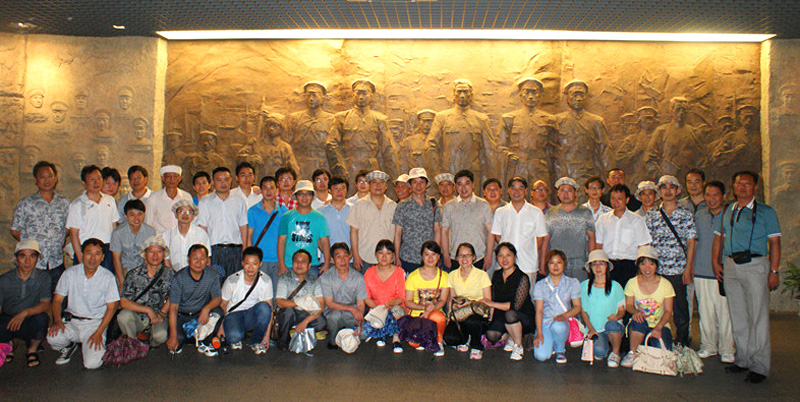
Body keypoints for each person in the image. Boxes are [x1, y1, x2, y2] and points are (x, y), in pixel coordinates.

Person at [713, 171, 781, 384]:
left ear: (755, 187)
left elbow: (775, 243)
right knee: (738, 315)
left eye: (747, 184)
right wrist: (717, 262)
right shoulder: (729, 210)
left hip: (755, 266)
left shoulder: (766, 212)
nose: (742, 187)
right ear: (733, 186)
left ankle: (759, 366)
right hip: (731, 265)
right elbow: (720, 238)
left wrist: (774, 270)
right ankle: (743, 359)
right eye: (738, 183)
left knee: (758, 317)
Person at [47, 238, 120, 369]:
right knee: (53, 337)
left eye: (97, 254)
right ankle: (69, 346)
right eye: (88, 253)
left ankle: (88, 346)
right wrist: (57, 320)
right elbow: (57, 300)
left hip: (94, 324)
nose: (92, 258)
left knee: (92, 364)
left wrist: (99, 332)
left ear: (102, 257)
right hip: (71, 321)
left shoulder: (108, 277)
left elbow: (111, 308)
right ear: (82, 254)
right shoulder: (70, 273)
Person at [645, 175, 697, 346]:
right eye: (663, 187)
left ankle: (682, 342)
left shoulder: (685, 214)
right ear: (659, 192)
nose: (668, 191)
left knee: (680, 308)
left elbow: (691, 241)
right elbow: (647, 242)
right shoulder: (652, 215)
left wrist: (688, 268)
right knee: (655, 307)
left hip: (678, 269)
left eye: (672, 187)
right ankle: (656, 340)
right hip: (656, 270)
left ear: (678, 191)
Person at [11, 161, 70, 293]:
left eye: (49, 176)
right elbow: (15, 230)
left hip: (56, 262)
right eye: (42, 177)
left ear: (55, 178)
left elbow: (68, 228)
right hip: (33, 264)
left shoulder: (64, 203)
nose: (46, 180)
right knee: (33, 299)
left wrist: (57, 238)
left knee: (58, 298)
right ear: (35, 180)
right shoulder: (26, 203)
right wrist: (31, 242)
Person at [326, 79, 399, 183]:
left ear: (371, 96)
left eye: (365, 93)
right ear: (353, 94)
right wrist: (339, 167)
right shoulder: (342, 118)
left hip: (371, 169)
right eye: (358, 93)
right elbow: (331, 143)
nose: (361, 97)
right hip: (349, 169)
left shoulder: (380, 119)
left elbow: (388, 149)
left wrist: (395, 177)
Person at [425, 79, 496, 185]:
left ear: (471, 95)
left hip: (472, 176)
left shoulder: (481, 119)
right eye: (459, 92)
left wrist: (493, 180)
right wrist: (437, 174)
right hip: (449, 175)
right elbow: (430, 146)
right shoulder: (442, 117)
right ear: (454, 95)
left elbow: (490, 151)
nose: (462, 95)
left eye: (466, 92)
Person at [694, 180, 734, 364]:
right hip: (700, 270)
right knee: (705, 311)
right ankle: (708, 345)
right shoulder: (699, 215)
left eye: (715, 195)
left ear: (723, 196)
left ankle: (727, 348)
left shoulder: (730, 215)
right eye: (708, 195)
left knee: (725, 312)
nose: (711, 199)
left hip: (722, 271)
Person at [497, 77, 559, 192]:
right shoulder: (508, 119)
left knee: (541, 198)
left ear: (540, 95)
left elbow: (555, 150)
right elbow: (500, 146)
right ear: (520, 95)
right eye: (527, 92)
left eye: (534, 92)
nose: (530, 96)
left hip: (540, 169)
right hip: (517, 168)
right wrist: (509, 156)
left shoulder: (549, 119)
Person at [621, 245, 675, 368]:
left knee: (662, 356)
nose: (647, 268)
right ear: (638, 266)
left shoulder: (666, 284)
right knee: (638, 321)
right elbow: (628, 305)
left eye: (651, 264)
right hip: (640, 324)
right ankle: (633, 352)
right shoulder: (632, 283)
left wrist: (659, 327)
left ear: (656, 265)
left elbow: (668, 311)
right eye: (643, 264)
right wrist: (636, 312)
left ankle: (646, 347)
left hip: (659, 325)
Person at [0, 240, 51, 368]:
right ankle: (9, 344)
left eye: (32, 256)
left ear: (37, 259)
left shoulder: (43, 277)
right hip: (9, 319)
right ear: (16, 258)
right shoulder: (5, 279)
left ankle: (32, 350)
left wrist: (25, 313)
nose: (27, 261)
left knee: (42, 319)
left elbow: (45, 304)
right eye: (22, 256)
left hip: (30, 318)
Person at [166, 244, 223, 357]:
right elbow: (173, 308)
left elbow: (217, 298)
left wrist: (206, 309)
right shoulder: (179, 278)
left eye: (202, 259)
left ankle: (205, 341)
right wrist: (173, 335)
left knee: (218, 312)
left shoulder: (212, 274)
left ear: (207, 260)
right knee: (177, 344)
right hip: (183, 315)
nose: (198, 262)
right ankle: (193, 337)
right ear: (188, 259)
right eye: (195, 258)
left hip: (200, 314)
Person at [118, 236, 173, 347]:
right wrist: (147, 310)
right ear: (145, 254)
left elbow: (174, 296)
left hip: (158, 315)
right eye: (151, 251)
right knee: (123, 317)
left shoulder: (170, 274)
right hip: (136, 315)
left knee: (161, 336)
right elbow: (123, 302)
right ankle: (133, 344)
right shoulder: (133, 274)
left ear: (164, 254)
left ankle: (149, 345)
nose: (155, 255)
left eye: (159, 251)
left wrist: (161, 313)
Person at [483, 242, 535, 361]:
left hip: (522, 315)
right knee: (491, 335)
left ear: (514, 257)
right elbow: (494, 298)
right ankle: (511, 336)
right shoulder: (496, 275)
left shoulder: (522, 277)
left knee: (510, 314)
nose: (504, 259)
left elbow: (515, 306)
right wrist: (491, 317)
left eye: (508, 255)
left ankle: (518, 345)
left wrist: (492, 304)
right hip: (502, 312)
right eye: (501, 256)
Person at [555, 80, 613, 185]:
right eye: (574, 95)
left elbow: (605, 150)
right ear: (567, 97)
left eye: (581, 95)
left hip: (588, 172)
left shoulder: (596, 121)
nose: (578, 98)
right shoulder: (557, 121)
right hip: (564, 173)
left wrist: (610, 175)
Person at [595, 184, 652, 288]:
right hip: (608, 265)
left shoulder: (637, 220)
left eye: (619, 199)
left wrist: (642, 269)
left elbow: (643, 248)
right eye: (613, 198)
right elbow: (598, 245)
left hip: (629, 266)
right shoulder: (603, 219)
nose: (616, 202)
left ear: (627, 200)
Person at [489, 177, 548, 278]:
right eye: (513, 188)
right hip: (505, 265)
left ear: (526, 191)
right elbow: (498, 236)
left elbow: (540, 239)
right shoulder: (500, 212)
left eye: (520, 188)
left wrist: (528, 249)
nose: (516, 191)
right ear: (508, 190)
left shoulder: (536, 212)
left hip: (528, 265)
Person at [219, 247, 273, 355]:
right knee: (234, 336)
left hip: (252, 315)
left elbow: (270, 308)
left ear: (260, 264)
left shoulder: (266, 280)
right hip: (234, 314)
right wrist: (220, 328)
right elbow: (223, 305)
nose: (250, 267)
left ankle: (256, 341)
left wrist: (267, 336)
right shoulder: (232, 280)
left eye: (254, 264)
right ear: (242, 263)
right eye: (247, 263)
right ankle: (235, 334)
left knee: (265, 308)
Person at [197, 167, 248, 278]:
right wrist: (206, 254)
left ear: (231, 181)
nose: (223, 183)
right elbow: (203, 229)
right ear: (212, 182)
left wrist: (245, 250)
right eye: (219, 180)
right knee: (216, 283)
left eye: (226, 179)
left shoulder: (239, 201)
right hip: (215, 251)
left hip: (235, 250)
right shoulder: (205, 202)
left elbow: (243, 226)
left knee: (235, 283)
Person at [532, 249, 582, 363]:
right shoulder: (540, 285)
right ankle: (551, 343)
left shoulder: (572, 283)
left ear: (564, 264)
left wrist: (564, 316)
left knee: (558, 326)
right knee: (541, 356)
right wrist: (539, 334)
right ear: (547, 265)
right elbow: (539, 311)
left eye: (559, 262)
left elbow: (577, 307)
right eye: (551, 263)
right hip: (545, 323)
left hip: (563, 322)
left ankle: (560, 349)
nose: (555, 266)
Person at [443, 243, 492, 360]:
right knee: (450, 338)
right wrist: (450, 314)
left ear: (473, 257)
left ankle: (476, 346)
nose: (464, 259)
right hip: (460, 313)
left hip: (477, 312)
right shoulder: (452, 275)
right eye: (460, 255)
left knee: (472, 321)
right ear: (456, 258)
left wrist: (469, 303)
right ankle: (466, 338)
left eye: (468, 255)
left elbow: (487, 300)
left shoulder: (482, 275)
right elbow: (452, 297)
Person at [66, 165, 119, 271]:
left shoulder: (110, 200)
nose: (96, 182)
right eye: (92, 180)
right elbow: (74, 234)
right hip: (86, 251)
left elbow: (114, 228)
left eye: (99, 178)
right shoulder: (77, 204)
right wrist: (81, 259)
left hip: (106, 251)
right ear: (84, 183)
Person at [543, 177, 596, 281]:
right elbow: (546, 239)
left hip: (579, 264)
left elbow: (591, 238)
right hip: (556, 264)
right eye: (562, 190)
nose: (565, 194)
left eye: (569, 190)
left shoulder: (585, 212)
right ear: (558, 193)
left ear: (575, 193)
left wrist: (592, 261)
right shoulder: (550, 213)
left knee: (579, 290)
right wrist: (542, 263)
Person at [580, 250, 626, 368]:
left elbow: (622, 310)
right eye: (594, 264)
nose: (598, 267)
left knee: (612, 325)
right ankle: (604, 345)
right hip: (595, 328)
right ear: (590, 268)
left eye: (601, 263)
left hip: (613, 325)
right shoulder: (584, 286)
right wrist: (591, 329)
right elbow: (583, 311)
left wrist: (617, 317)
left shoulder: (616, 286)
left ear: (607, 266)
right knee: (599, 353)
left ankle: (615, 353)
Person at [404, 241, 450, 357]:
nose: (430, 258)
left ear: (438, 257)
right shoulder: (413, 276)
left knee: (438, 317)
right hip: (418, 315)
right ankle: (426, 338)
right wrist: (424, 307)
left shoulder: (444, 276)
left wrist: (432, 308)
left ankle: (438, 341)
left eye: (433, 254)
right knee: (414, 343)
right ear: (422, 256)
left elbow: (443, 300)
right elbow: (408, 302)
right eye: (426, 254)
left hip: (435, 313)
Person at [277, 180, 331, 278]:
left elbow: (325, 242)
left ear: (312, 196)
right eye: (301, 194)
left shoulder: (319, 218)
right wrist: (281, 264)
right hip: (289, 265)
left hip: (312, 265)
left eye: (308, 194)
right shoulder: (286, 217)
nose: (304, 197)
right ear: (296, 196)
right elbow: (281, 241)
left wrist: (327, 263)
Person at [393, 168, 442, 273]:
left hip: (429, 258)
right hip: (407, 257)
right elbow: (397, 233)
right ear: (410, 185)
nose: (418, 185)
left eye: (422, 182)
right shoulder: (402, 205)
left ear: (426, 184)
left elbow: (437, 230)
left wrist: (437, 254)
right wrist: (396, 256)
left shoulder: (433, 203)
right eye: (415, 182)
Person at [346, 171, 398, 272]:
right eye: (374, 182)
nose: (378, 186)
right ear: (369, 185)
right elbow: (353, 231)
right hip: (365, 257)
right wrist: (355, 255)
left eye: (381, 182)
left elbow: (397, 233)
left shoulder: (393, 206)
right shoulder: (359, 205)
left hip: (387, 257)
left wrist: (396, 254)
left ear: (386, 186)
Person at [442, 170, 493, 270]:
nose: (463, 187)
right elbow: (444, 231)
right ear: (456, 187)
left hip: (478, 257)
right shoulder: (449, 206)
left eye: (467, 183)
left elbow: (490, 231)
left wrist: (489, 255)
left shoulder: (483, 205)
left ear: (473, 185)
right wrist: (446, 255)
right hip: (456, 258)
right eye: (460, 184)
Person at [275, 250, 327, 350]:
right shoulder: (284, 278)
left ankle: (299, 329)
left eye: (303, 261)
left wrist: (305, 321)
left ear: (309, 265)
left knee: (321, 322)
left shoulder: (315, 280)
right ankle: (283, 341)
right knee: (287, 312)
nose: (299, 264)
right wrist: (300, 302)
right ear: (292, 263)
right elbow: (280, 302)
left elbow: (321, 306)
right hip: (291, 313)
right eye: (296, 261)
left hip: (307, 313)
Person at [646, 97, 707, 181]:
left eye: (684, 110)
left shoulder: (694, 133)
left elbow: (702, 160)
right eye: (678, 109)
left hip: (689, 181)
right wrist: (662, 177)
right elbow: (649, 159)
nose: (681, 113)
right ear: (671, 111)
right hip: (667, 181)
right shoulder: (661, 131)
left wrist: (695, 179)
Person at [362, 240, 406, 353]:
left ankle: (396, 338)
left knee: (397, 311)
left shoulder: (399, 272)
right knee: (362, 334)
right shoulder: (369, 272)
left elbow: (401, 297)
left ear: (393, 256)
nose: (384, 257)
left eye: (388, 253)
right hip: (377, 309)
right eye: (381, 253)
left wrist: (389, 305)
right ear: (376, 255)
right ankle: (383, 333)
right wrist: (379, 308)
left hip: (394, 308)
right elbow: (366, 297)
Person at [320, 243, 367, 349]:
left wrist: (359, 321)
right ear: (332, 260)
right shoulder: (326, 277)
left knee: (364, 334)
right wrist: (350, 308)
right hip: (334, 310)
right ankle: (333, 340)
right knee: (334, 317)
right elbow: (330, 303)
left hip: (351, 313)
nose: (343, 260)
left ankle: (346, 331)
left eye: (345, 256)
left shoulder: (358, 277)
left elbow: (360, 303)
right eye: (338, 257)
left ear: (349, 258)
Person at [246, 176, 287, 295]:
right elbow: (249, 236)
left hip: (278, 260)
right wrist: (249, 258)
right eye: (265, 188)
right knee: (259, 294)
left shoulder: (284, 211)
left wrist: (283, 262)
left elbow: (286, 238)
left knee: (277, 295)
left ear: (277, 191)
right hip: (259, 261)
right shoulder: (253, 211)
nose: (268, 191)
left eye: (271, 188)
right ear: (261, 190)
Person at [286, 81, 335, 180]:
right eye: (308, 95)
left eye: (315, 95)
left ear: (323, 98)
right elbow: (287, 144)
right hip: (301, 167)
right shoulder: (294, 118)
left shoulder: (332, 120)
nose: (311, 99)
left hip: (323, 166)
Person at [237, 112, 301, 180]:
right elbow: (239, 157)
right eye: (269, 125)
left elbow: (294, 168)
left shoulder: (285, 147)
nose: (271, 128)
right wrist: (251, 159)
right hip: (259, 182)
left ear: (281, 129)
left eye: (275, 126)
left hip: (277, 183)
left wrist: (298, 183)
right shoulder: (256, 144)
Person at [110, 199, 156, 288]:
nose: (136, 218)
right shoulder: (117, 233)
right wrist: (122, 282)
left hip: (144, 270)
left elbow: (149, 257)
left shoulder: (150, 231)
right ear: (126, 217)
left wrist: (144, 277)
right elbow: (116, 259)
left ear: (144, 215)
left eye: (139, 214)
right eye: (132, 215)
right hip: (125, 270)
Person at [162, 200, 211, 271]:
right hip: (175, 274)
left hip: (196, 273)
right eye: (181, 211)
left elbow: (206, 259)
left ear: (193, 216)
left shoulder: (201, 234)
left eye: (189, 212)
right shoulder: (167, 234)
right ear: (175, 214)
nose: (185, 214)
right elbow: (166, 260)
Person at [144, 165, 193, 234]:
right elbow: (148, 222)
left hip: (181, 237)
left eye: (175, 176)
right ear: (163, 179)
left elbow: (191, 220)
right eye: (168, 176)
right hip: (160, 238)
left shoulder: (186, 197)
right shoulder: (154, 197)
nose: (172, 179)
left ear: (179, 179)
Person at [318, 176, 353, 252]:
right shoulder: (320, 212)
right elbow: (318, 238)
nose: (339, 191)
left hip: (350, 257)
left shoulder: (354, 210)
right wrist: (328, 256)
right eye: (336, 188)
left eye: (343, 188)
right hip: (327, 257)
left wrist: (350, 254)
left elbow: (359, 235)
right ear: (329, 190)